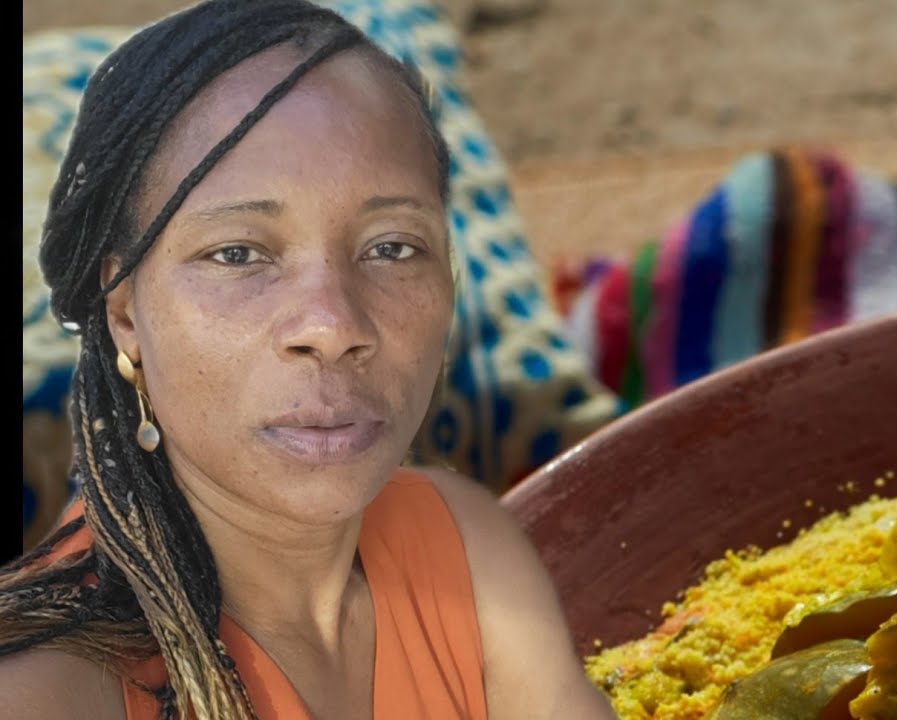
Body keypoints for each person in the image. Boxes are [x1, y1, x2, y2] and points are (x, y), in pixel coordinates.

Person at [1, 2, 617, 718]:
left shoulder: (469, 554)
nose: (332, 326)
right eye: (237, 254)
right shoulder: (47, 691)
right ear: (126, 316)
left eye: (391, 247)